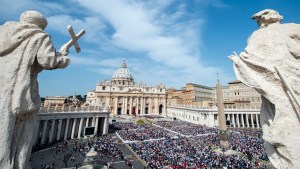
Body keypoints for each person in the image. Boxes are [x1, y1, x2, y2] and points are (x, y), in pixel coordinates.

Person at [229, 9, 300, 168]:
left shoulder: (260, 36)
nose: (259, 24)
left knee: (281, 133)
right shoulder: (292, 28)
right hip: (285, 89)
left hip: (284, 89)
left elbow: (248, 58)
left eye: (260, 20)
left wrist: (239, 61)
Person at [0, 10, 70, 169]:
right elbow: (48, 61)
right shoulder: (39, 36)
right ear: (41, 25)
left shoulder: (3, 34)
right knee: (20, 136)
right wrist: (63, 57)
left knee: (4, 131)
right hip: (20, 94)